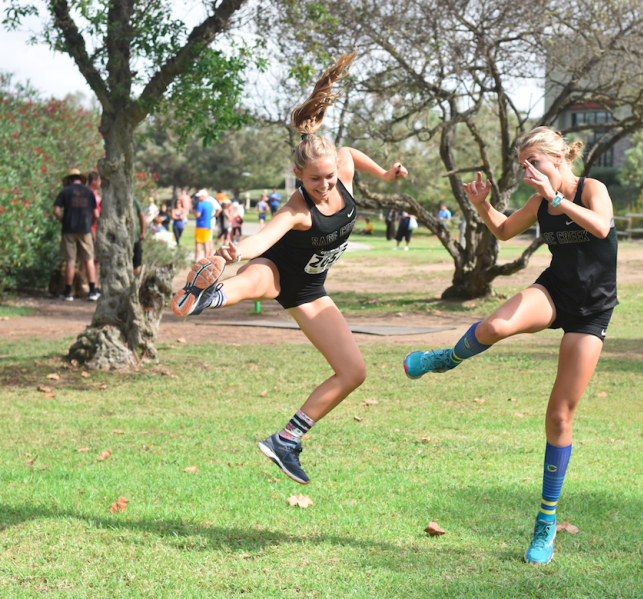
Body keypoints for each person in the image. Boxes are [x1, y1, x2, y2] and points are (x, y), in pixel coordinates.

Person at [170, 52, 408, 486]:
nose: (324, 185)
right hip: (277, 269)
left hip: (311, 290)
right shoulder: (297, 208)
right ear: (298, 174)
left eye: (330, 177)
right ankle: (207, 294)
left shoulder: (344, 169)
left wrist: (388, 175)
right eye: (314, 180)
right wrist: (232, 250)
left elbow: (352, 152)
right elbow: (263, 238)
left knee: (354, 371)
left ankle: (286, 440)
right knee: (250, 283)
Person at [402, 127, 617, 565]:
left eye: (533, 164)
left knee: (559, 416)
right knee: (496, 326)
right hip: (554, 292)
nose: (527, 174)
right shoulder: (540, 200)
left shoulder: (591, 188)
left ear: (558, 159)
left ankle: (545, 523)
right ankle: (445, 359)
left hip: (592, 311)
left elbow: (599, 227)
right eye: (523, 167)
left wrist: (556, 200)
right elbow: (502, 231)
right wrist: (482, 204)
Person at [53, 168, 100, 301]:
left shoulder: (65, 191)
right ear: (80, 178)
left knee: (70, 261)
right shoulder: (89, 192)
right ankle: (92, 291)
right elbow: (96, 214)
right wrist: (90, 224)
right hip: (85, 229)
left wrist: (64, 221)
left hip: (69, 230)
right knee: (89, 259)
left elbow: (56, 211)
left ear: (69, 179)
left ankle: (68, 293)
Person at [194, 189, 214, 260]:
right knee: (206, 242)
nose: (198, 198)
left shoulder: (200, 204)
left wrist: (193, 212)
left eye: (199, 196)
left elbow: (198, 215)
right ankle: (206, 258)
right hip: (208, 225)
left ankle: (196, 259)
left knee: (198, 243)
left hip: (201, 226)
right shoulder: (209, 204)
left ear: (203, 196)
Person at [132, 196, 146, 277]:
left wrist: (142, 232)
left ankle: (135, 283)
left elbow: (141, 215)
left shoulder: (134, 200)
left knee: (136, 262)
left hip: (135, 238)